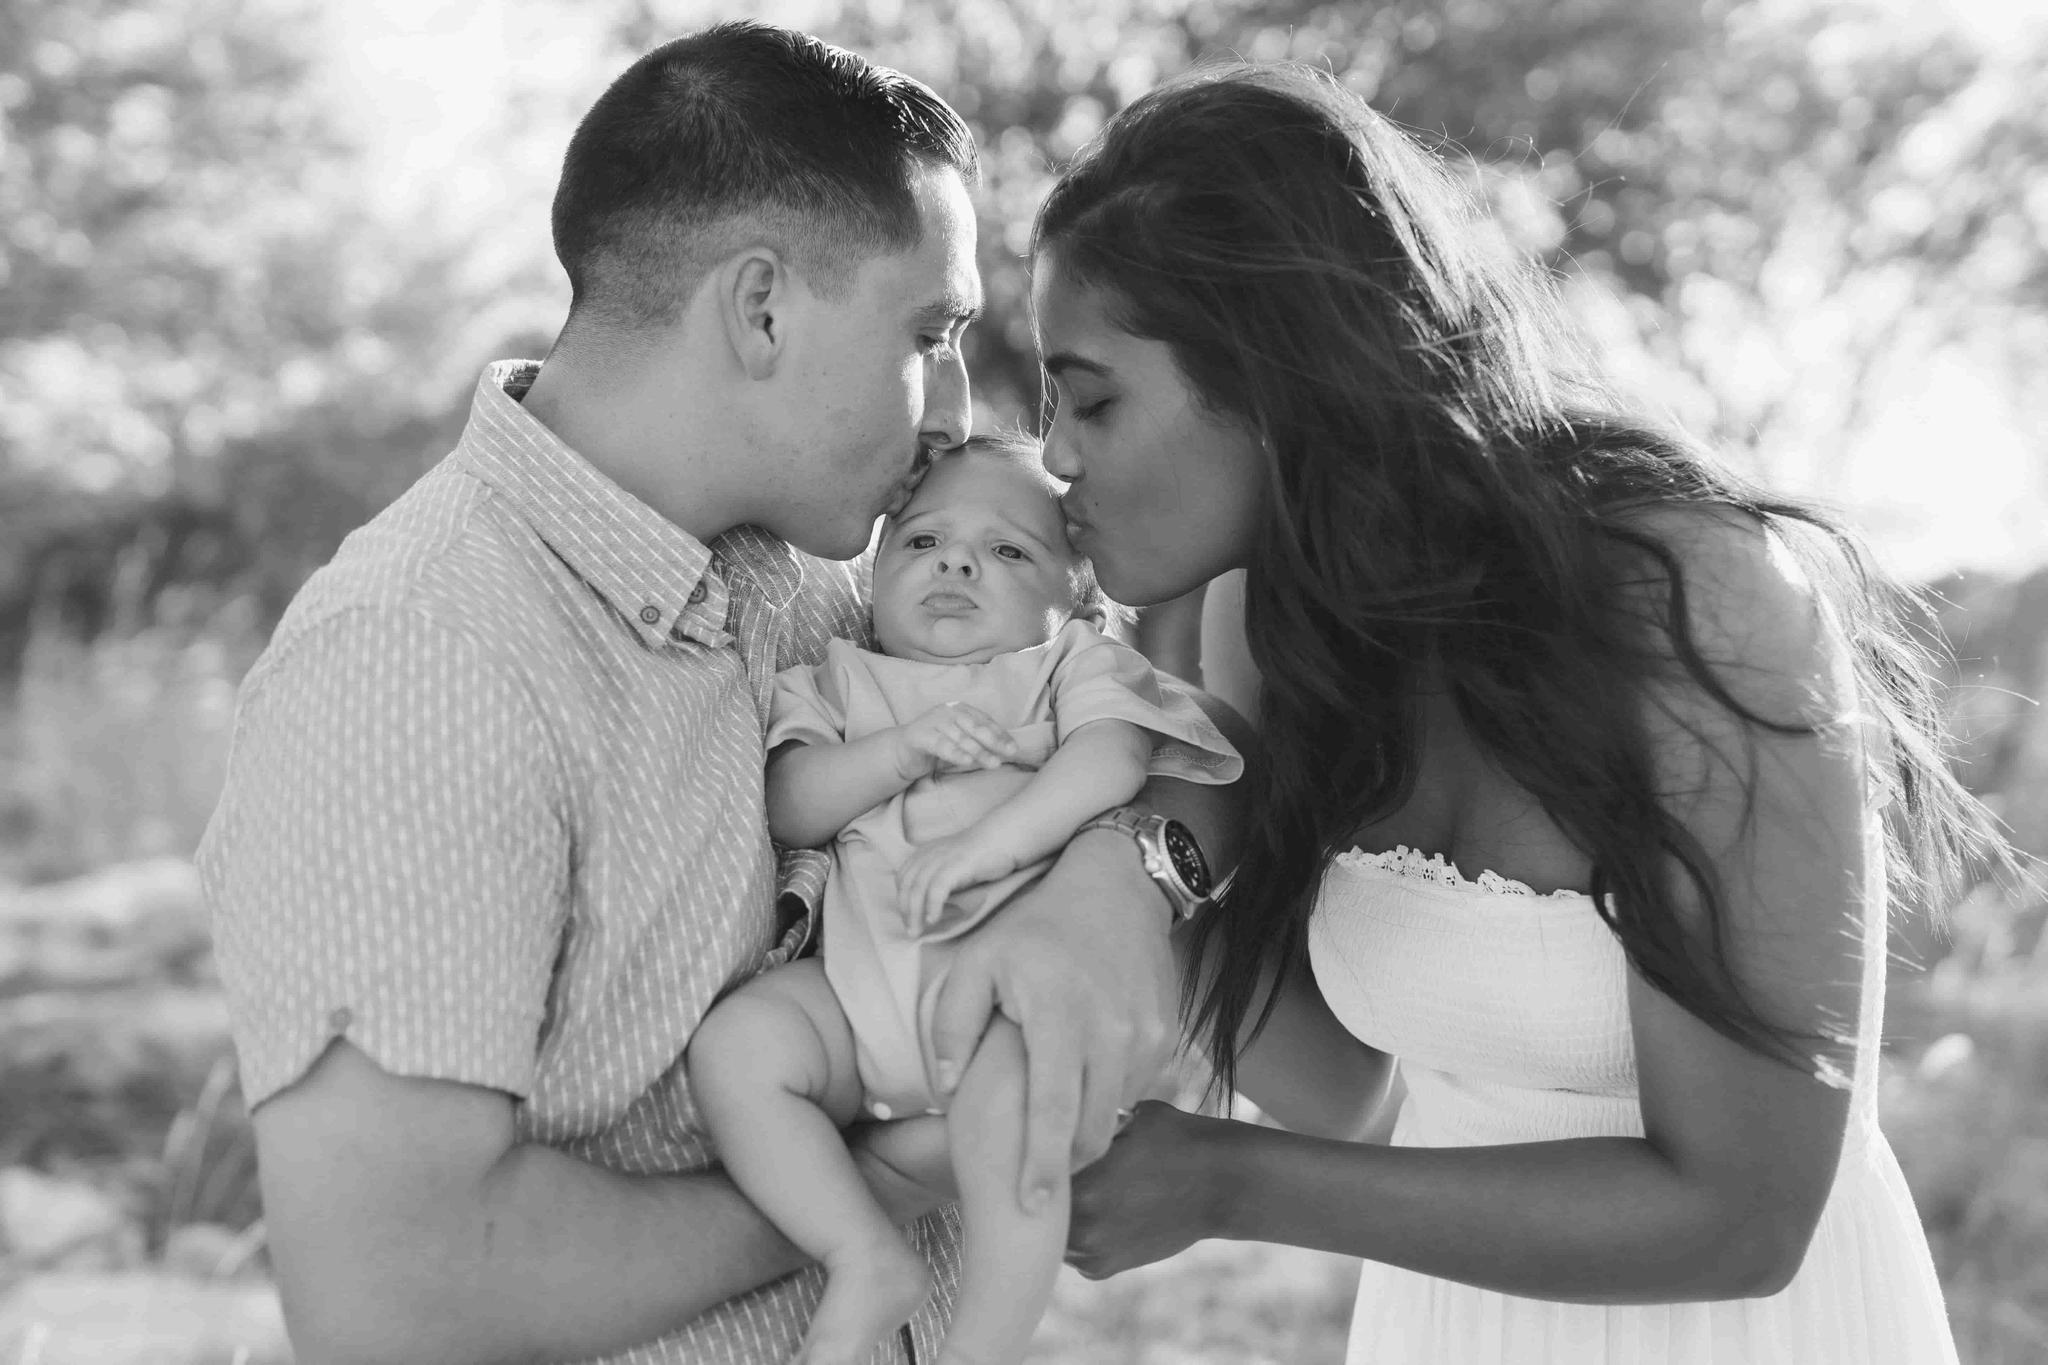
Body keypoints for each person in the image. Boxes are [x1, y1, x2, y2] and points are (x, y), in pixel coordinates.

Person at [195, 26, 1228, 1365]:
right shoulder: (415, 662)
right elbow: (399, 1300)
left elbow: (1119, 722)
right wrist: (884, 1180)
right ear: (761, 309)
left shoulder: (826, 580)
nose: (954, 412)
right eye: (930, 334)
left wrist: (1117, 873)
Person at [1035, 63, 2004, 1365]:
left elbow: (1746, 1216)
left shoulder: (1686, 604)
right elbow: (1343, 1093)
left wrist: (1228, 1183)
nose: (1053, 453)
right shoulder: (1265, 629)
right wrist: (1111, 823)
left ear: (1270, 376)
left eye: (1092, 397)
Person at [687, 434, 1240, 1365]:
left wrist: (994, 842)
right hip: (856, 1005)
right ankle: (863, 1253)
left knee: (1014, 1137)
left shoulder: (1069, 664)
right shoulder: (837, 678)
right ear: (874, 575)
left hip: (1009, 1009)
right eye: (923, 541)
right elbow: (791, 803)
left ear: (1080, 599)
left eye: (1008, 550)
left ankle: (981, 1346)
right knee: (740, 1048)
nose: (955, 563)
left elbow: (1111, 759)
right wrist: (901, 752)